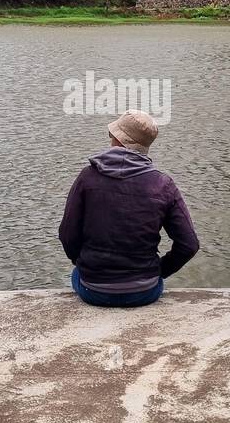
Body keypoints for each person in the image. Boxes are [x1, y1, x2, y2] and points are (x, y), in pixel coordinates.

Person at [58, 109, 200, 307]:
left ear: (116, 137)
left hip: (93, 288)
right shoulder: (163, 185)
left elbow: (67, 234)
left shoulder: (87, 177)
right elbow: (189, 244)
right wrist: (158, 270)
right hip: (145, 291)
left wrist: (83, 263)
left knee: (73, 276)